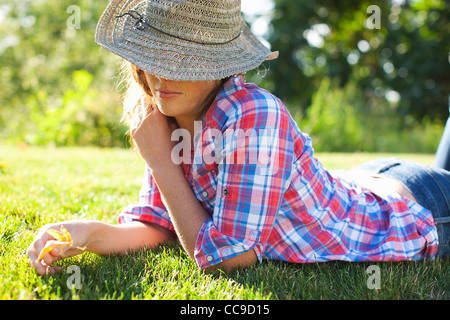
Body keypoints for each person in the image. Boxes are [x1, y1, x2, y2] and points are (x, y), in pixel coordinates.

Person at [27, 0, 450, 276]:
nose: (156, 75)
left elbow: (230, 257)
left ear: (218, 64)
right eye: (151, 56)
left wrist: (160, 162)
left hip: (418, 205)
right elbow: (158, 224)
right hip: (363, 178)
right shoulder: (170, 113)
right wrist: (84, 234)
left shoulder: (253, 115)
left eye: (179, 60)